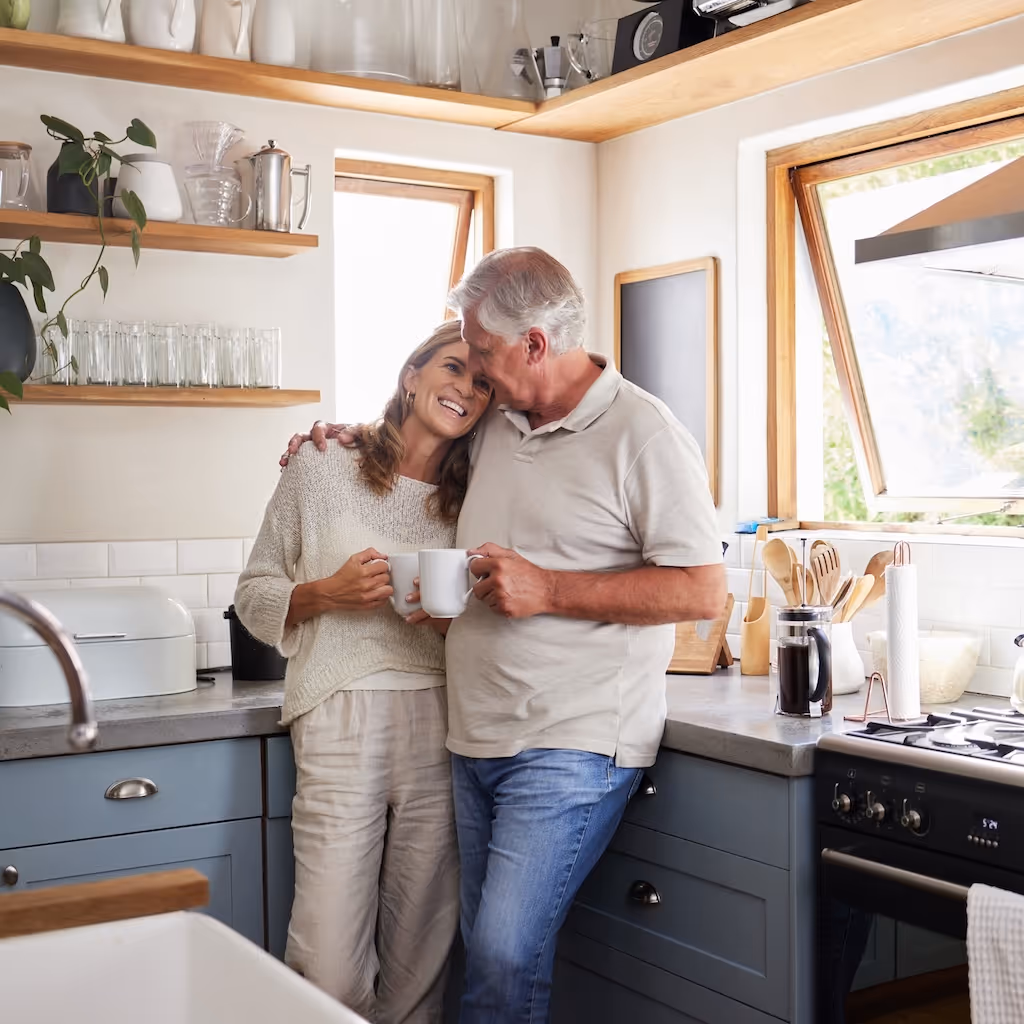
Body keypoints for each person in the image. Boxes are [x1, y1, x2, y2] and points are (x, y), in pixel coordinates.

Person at [286, 246, 726, 1024]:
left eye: (483, 350)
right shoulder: (499, 423)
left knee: (501, 955)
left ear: (533, 343)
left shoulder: (644, 434)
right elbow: (417, 437)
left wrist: (549, 587)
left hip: (572, 743)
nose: (477, 371)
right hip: (474, 738)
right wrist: (339, 437)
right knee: (479, 959)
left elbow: (701, 590)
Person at [236, 320, 492, 1024]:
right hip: (339, 713)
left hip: (443, 721)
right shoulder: (322, 466)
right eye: (451, 368)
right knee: (324, 964)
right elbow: (254, 591)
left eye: (481, 383)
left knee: (420, 960)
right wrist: (326, 594)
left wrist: (445, 619)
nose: (465, 389)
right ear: (411, 376)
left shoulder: (479, 498)